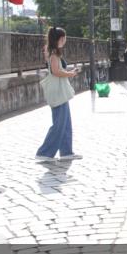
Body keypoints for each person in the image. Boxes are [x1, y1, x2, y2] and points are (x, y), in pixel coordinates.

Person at [36, 27, 82, 162]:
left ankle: (66, 152)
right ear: (60, 39)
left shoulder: (52, 51)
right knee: (59, 123)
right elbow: (56, 72)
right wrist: (71, 73)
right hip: (58, 92)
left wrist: (69, 72)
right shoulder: (54, 54)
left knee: (65, 123)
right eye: (64, 38)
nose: (65, 40)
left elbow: (57, 70)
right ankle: (44, 153)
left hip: (60, 92)